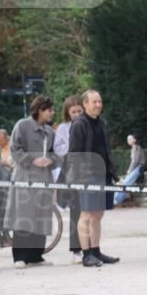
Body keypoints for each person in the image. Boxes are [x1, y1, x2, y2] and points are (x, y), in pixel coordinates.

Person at [4, 96, 60, 267]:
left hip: (44, 178)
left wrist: (51, 160)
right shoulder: (22, 125)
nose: (52, 113)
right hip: (25, 176)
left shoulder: (50, 132)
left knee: (41, 215)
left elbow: (56, 154)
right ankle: (20, 256)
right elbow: (14, 149)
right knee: (23, 215)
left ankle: (36, 256)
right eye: (49, 110)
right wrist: (32, 160)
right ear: (40, 110)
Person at [67, 90, 120, 268]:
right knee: (86, 214)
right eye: (94, 102)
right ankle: (86, 254)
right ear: (85, 104)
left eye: (100, 101)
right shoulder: (78, 124)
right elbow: (74, 153)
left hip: (104, 174)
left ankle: (96, 251)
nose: (98, 105)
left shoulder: (102, 123)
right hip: (87, 176)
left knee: (98, 214)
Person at [54, 95, 84, 263]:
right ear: (67, 112)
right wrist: (71, 147)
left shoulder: (88, 124)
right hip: (71, 170)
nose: (77, 114)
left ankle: (90, 246)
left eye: (79, 111)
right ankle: (76, 249)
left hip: (88, 168)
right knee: (76, 211)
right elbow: (58, 148)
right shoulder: (63, 128)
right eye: (73, 112)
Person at [114, 134, 145, 205]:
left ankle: (117, 200)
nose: (128, 140)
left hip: (138, 168)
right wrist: (129, 169)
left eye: (130, 139)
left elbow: (135, 161)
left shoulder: (137, 148)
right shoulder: (133, 148)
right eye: (128, 139)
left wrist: (130, 170)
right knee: (123, 182)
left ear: (134, 140)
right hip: (134, 168)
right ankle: (116, 198)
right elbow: (132, 161)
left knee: (125, 184)